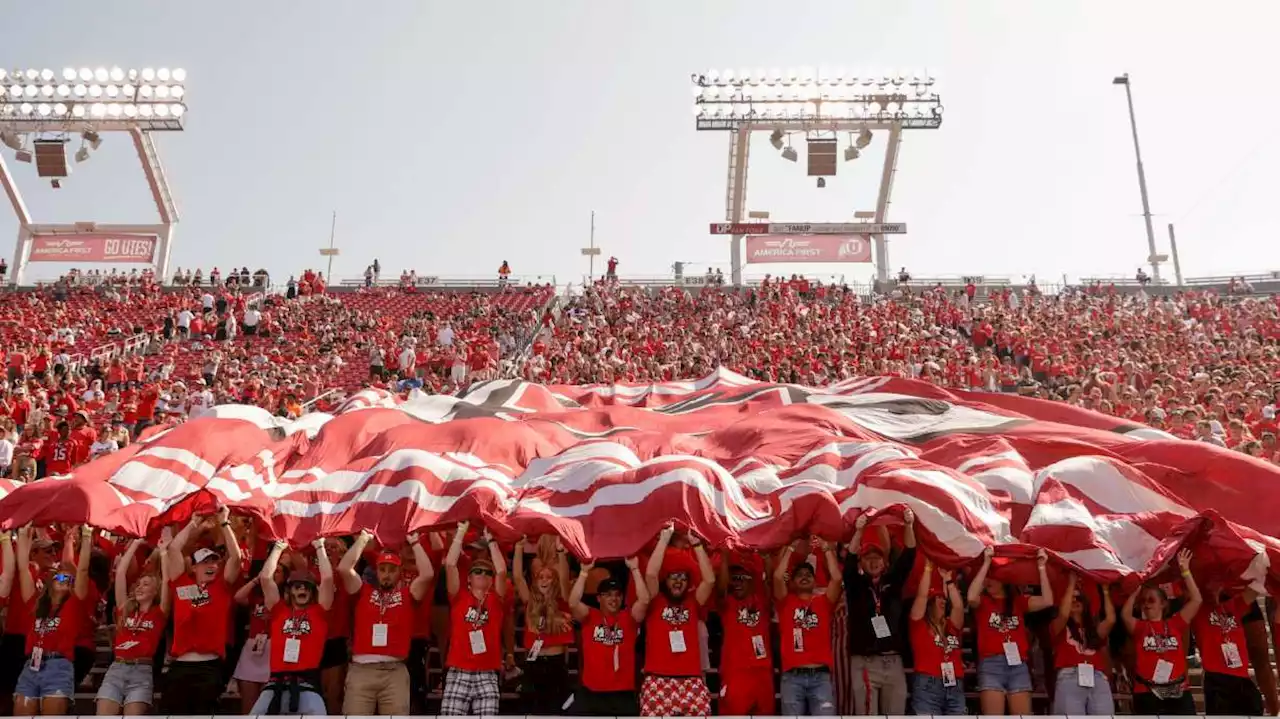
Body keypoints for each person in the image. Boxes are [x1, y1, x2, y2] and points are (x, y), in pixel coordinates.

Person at [337, 529, 434, 715]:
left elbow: (427, 574)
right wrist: (363, 538)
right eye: (382, 569)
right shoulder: (363, 592)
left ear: (400, 571)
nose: (387, 574)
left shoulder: (407, 595)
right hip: (361, 671)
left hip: (394, 671)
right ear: (376, 571)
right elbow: (343, 568)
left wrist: (415, 543)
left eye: (392, 570)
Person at [161, 507, 244, 715]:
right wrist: (193, 523)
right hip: (180, 666)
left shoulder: (222, 587)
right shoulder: (181, 584)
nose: (212, 565)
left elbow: (236, 557)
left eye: (214, 561)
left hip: (209, 667)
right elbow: (173, 550)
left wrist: (224, 523)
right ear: (194, 568)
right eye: (205, 562)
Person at [13, 524, 93, 716]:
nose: (65, 578)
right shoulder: (36, 603)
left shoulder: (74, 605)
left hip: (59, 666)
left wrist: (88, 536)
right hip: (31, 665)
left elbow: (81, 571)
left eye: (68, 578)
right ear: (50, 581)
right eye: (60, 575)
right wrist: (24, 536)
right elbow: (23, 569)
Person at [248, 538, 334, 714]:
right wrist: (279, 547)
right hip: (274, 686)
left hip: (307, 686)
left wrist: (319, 546)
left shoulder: (319, 612)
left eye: (306, 587)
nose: (302, 590)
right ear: (289, 591)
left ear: (312, 592)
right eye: (297, 587)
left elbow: (328, 579)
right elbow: (265, 577)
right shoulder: (279, 610)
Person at [842, 510, 916, 715]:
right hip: (865, 663)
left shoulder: (893, 583)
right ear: (861, 563)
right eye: (868, 557)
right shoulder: (855, 585)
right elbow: (849, 559)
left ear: (885, 562)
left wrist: (909, 525)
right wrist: (859, 530)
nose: (873, 561)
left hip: (893, 662)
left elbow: (910, 553)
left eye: (877, 557)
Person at [966, 546, 1054, 714]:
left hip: (1018, 665)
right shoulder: (982, 602)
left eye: (993, 577)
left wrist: (1041, 567)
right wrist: (986, 563)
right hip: (991, 664)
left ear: (1005, 580)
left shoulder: (1018, 602)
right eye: (987, 577)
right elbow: (970, 597)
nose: (988, 581)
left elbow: (1048, 601)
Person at [639, 524, 714, 717]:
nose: (678, 581)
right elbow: (650, 574)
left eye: (682, 577)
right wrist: (664, 539)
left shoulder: (693, 601)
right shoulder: (655, 599)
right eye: (673, 577)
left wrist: (697, 546)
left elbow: (710, 580)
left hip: (691, 679)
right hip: (657, 679)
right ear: (666, 581)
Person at [1121, 548, 1202, 715]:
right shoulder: (1140, 627)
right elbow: (1125, 615)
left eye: (1151, 600)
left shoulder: (1175, 623)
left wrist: (1185, 571)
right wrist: (1137, 590)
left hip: (1179, 691)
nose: (1146, 604)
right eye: (1143, 601)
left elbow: (1197, 599)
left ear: (1163, 604)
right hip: (1146, 691)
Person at [441, 521, 509, 716]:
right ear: (468, 578)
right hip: (458, 671)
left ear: (491, 579)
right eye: (477, 571)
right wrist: (461, 532)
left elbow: (502, 571)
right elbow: (451, 564)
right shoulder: (459, 596)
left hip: (487, 673)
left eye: (487, 572)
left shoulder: (496, 599)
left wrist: (491, 541)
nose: (483, 574)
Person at [96, 538, 170, 715]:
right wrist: (136, 543)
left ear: (155, 591)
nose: (139, 588)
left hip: (141, 672)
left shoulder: (159, 613)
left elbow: (167, 580)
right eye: (138, 584)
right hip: (116, 668)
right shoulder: (125, 610)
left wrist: (164, 552)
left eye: (146, 585)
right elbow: (120, 572)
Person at [568, 556, 649, 716]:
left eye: (618, 595)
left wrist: (635, 569)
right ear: (598, 598)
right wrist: (584, 573)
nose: (614, 599)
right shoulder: (590, 616)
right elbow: (573, 603)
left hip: (622, 692)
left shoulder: (629, 617)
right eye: (608, 595)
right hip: (592, 692)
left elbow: (644, 600)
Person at [773, 538, 843, 715]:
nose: (804, 577)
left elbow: (837, 578)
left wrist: (827, 549)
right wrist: (790, 548)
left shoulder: (824, 602)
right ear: (793, 582)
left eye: (808, 575)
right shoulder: (785, 602)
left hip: (820, 677)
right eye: (799, 575)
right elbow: (777, 577)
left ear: (814, 581)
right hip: (792, 677)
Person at [513, 536, 573, 714]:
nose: (545, 580)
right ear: (535, 580)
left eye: (549, 577)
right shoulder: (529, 600)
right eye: (541, 577)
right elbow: (517, 577)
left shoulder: (563, 600)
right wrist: (518, 548)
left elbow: (564, 577)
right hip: (533, 662)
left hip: (556, 663)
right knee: (533, 710)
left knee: (557, 710)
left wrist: (561, 553)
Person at [715, 552, 774, 715]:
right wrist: (725, 556)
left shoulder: (761, 600)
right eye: (733, 579)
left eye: (741, 578)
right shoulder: (727, 603)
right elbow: (722, 588)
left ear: (752, 581)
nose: (736, 583)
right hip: (735, 673)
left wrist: (767, 558)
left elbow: (770, 580)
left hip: (762, 673)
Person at [1192, 582, 1264, 715]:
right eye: (1207, 583)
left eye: (1215, 583)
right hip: (1216, 679)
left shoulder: (1233, 606)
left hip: (1242, 678)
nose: (1211, 586)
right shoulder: (1196, 610)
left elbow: (1255, 587)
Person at [1049, 572, 1115, 714]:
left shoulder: (1093, 630)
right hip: (1069, 676)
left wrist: (1105, 591)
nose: (1075, 600)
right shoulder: (1058, 626)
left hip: (1097, 677)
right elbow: (1064, 614)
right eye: (1071, 598)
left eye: (1079, 598)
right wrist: (1071, 584)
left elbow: (1110, 620)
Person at [908, 557, 965, 716]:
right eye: (937, 598)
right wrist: (928, 569)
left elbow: (958, 606)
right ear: (929, 604)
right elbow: (921, 596)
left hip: (954, 684)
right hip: (928, 684)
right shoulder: (919, 624)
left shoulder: (951, 626)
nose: (943, 601)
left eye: (943, 598)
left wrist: (948, 581)